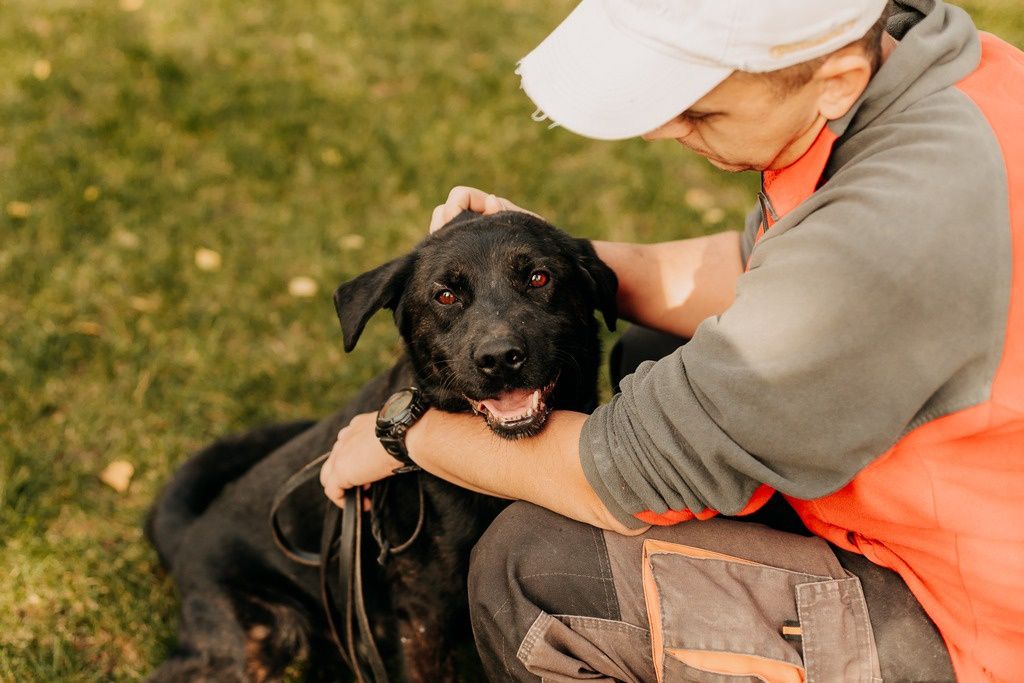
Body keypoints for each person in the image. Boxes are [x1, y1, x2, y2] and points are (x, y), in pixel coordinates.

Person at [321, 0, 1024, 680]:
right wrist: (554, 262)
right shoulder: (934, 75)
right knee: (649, 348)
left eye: (699, 108)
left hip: (967, 626)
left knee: (537, 565)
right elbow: (775, 270)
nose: (663, 128)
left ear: (834, 79)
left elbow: (618, 475)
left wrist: (404, 434)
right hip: (942, 513)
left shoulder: (890, 227)